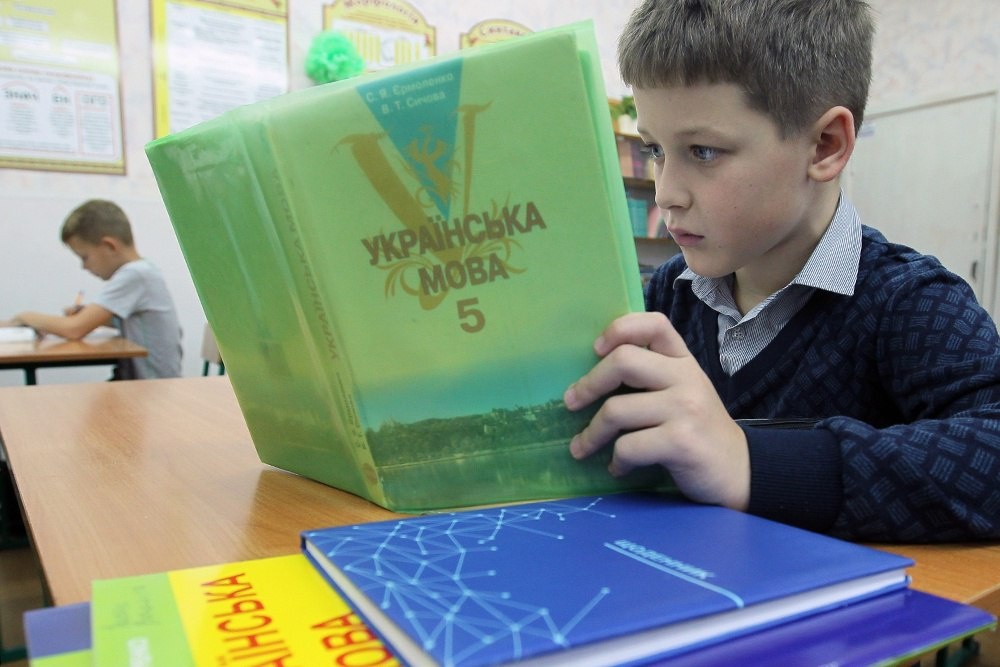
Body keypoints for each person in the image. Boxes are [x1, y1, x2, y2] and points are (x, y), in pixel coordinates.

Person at [564, 0, 1000, 543]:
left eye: (703, 151)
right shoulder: (668, 297)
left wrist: (749, 460)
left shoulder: (910, 301)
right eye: (655, 149)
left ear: (825, 146)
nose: (666, 194)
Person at [6, 199, 182, 379]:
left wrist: (26, 316)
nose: (84, 266)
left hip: (153, 387)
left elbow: (74, 329)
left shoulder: (135, 274)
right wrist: (89, 316)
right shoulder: (142, 272)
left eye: (85, 257)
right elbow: (134, 324)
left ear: (109, 246)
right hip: (140, 382)